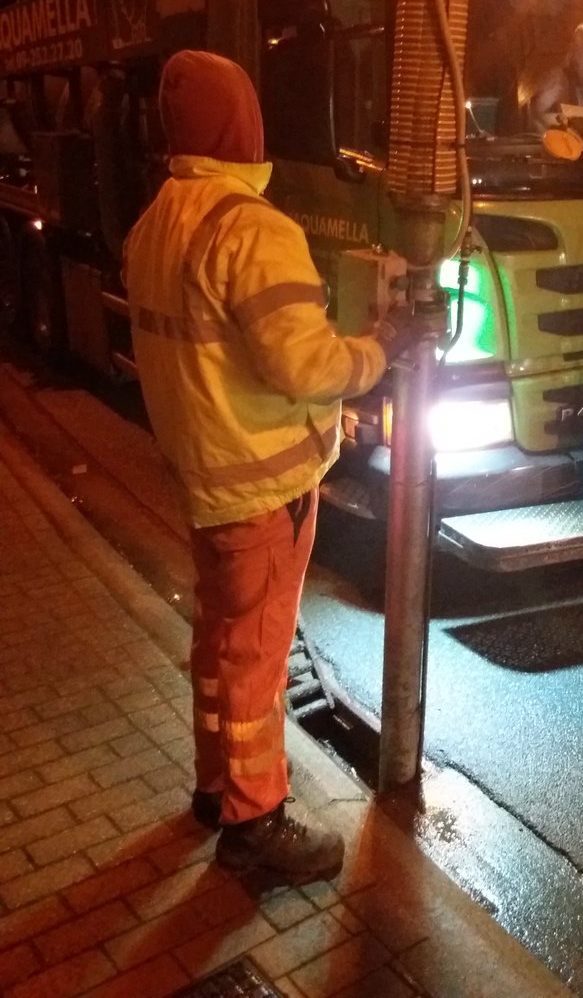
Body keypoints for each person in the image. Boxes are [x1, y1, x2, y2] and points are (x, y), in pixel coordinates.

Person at [123, 50, 414, 882]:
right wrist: (379, 349)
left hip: (207, 477)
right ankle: (255, 824)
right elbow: (305, 363)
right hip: (263, 486)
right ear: (241, 126)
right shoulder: (251, 228)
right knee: (256, 654)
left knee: (219, 642)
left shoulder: (157, 221)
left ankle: (215, 788)